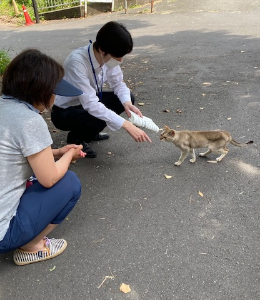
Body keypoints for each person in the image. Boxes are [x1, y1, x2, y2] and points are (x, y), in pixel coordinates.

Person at [0, 48, 86, 266]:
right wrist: (69, 155)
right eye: (54, 90)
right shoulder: (29, 120)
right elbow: (49, 178)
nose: (55, 97)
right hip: (3, 234)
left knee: (35, 177)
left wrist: (56, 152)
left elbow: (11, 153)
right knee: (69, 182)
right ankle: (31, 247)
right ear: (40, 91)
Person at [51, 21, 151, 158]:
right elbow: (91, 105)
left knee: (126, 99)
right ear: (102, 50)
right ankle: (76, 138)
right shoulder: (77, 62)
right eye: (117, 56)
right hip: (64, 111)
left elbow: (118, 83)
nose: (120, 60)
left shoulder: (107, 57)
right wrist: (127, 125)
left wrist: (127, 103)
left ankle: (89, 132)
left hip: (86, 103)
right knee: (97, 114)